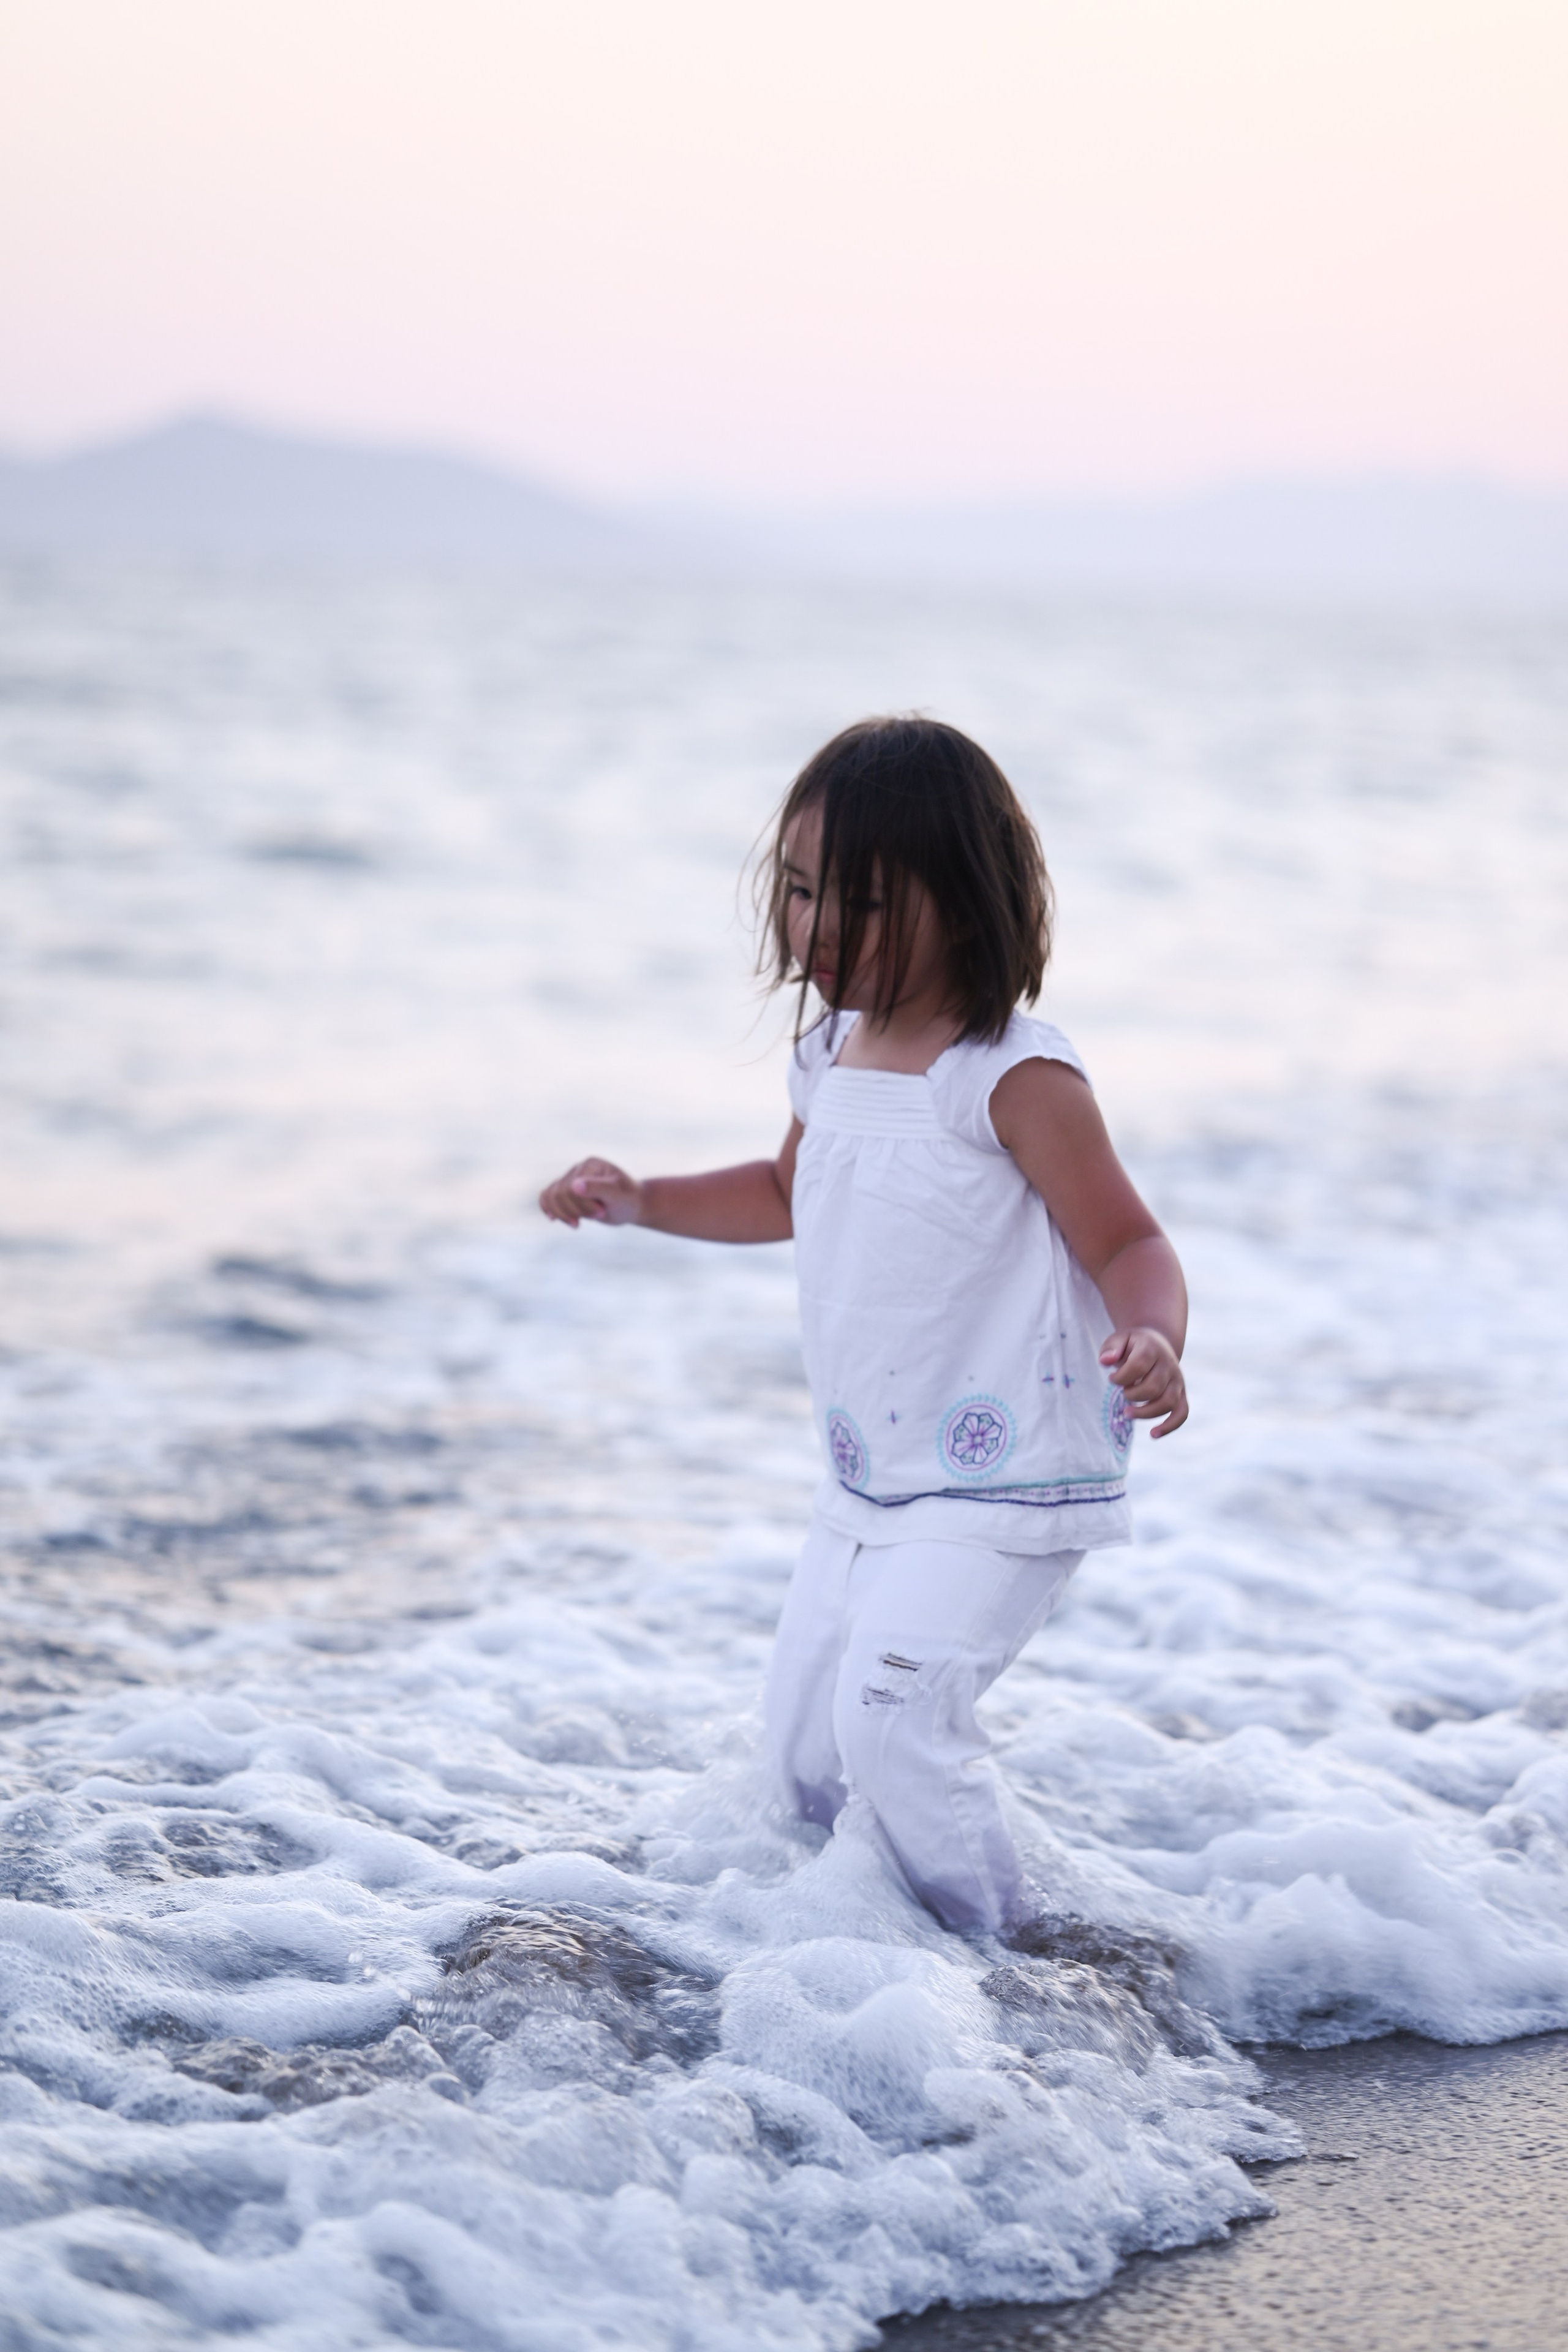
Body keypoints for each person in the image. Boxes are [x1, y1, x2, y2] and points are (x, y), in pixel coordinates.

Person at [539, 717, 1188, 1939]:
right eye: (795, 892)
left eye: (865, 904)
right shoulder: (830, 1050)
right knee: (800, 1760)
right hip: (871, 1482)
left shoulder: (1007, 1077)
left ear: (968, 899)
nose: (816, 931)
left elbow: (1127, 1243)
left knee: (889, 1718)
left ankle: (1005, 1964)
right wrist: (639, 1202)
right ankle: (852, 1974)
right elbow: (786, 1193)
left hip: (1005, 1482)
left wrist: (1154, 1338)